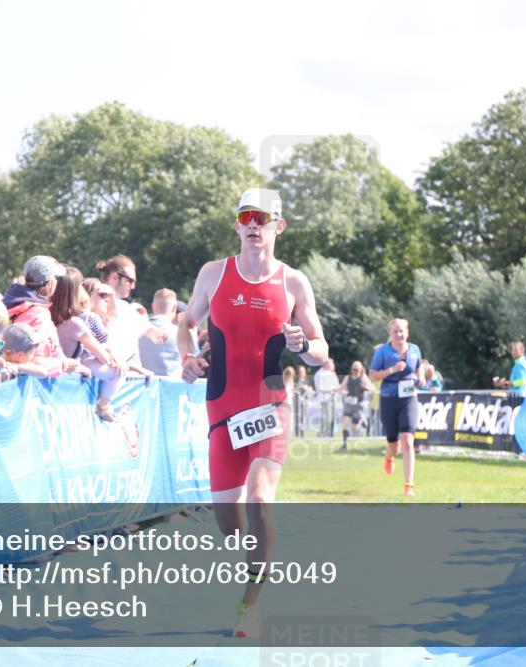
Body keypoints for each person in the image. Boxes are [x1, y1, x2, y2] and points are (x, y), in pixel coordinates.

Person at [178, 187, 329, 637]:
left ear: (278, 226)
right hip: (222, 409)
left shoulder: (294, 282)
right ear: (237, 225)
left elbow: (321, 348)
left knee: (262, 497)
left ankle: (250, 606)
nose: (253, 226)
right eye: (246, 217)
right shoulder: (213, 274)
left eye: (262, 219)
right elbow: (185, 325)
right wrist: (187, 357)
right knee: (230, 525)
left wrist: (305, 348)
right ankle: (259, 561)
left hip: (269, 407)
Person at [52, 266, 125, 421]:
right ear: (76, 292)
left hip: (58, 377)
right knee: (119, 371)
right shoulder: (75, 323)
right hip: (67, 378)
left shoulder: (52, 317)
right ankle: (104, 405)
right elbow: (103, 356)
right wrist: (113, 357)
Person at [369, 318, 425, 497]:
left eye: (402, 331)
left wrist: (421, 376)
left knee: (408, 440)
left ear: (407, 332)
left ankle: (409, 485)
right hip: (388, 398)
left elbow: (419, 365)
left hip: (409, 397)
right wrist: (392, 370)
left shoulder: (415, 349)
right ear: (390, 334)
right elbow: (373, 375)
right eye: (395, 331)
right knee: (393, 443)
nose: (399, 334)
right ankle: (389, 456)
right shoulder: (383, 352)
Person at [96, 254, 166, 369]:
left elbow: (151, 332)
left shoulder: (127, 308)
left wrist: (156, 332)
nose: (133, 286)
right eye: (130, 281)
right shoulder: (95, 303)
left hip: (128, 378)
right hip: (108, 374)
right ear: (115, 277)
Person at [139, 288, 183, 378]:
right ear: (175, 308)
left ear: (152, 306)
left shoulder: (138, 331)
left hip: (145, 388)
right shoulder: (180, 333)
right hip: (175, 388)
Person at [339, 360, 374, 452]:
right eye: (353, 369)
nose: (354, 371)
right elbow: (341, 386)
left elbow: (372, 388)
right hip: (349, 403)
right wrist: (335, 390)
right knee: (345, 423)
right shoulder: (348, 377)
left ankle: (362, 423)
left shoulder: (363, 378)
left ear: (360, 370)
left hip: (358, 405)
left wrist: (366, 387)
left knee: (354, 427)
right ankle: (344, 444)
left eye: (356, 370)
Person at [313, 358, 341, 436]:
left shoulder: (331, 373)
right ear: (326, 364)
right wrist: (332, 389)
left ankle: (329, 433)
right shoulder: (320, 374)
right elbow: (321, 388)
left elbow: (336, 384)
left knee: (331, 418)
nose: (333, 365)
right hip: (325, 399)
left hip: (332, 399)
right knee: (326, 418)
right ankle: (323, 433)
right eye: (331, 364)